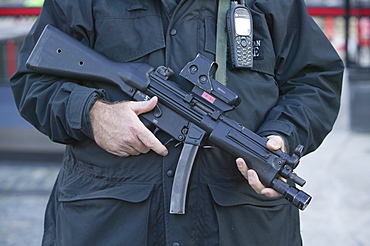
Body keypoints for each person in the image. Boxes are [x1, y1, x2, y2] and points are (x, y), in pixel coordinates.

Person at [10, 0, 344, 245]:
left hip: (241, 225)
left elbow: (315, 79)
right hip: (110, 225)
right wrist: (94, 113)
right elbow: (33, 82)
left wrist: (281, 135)